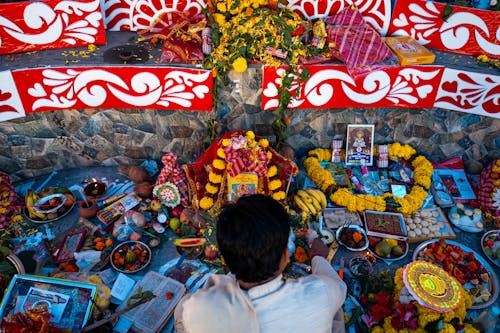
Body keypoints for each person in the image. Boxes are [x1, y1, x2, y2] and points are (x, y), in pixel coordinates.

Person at [174, 194, 347, 333]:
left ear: (226, 261)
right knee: (336, 314)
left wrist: (223, 283)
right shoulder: (320, 293)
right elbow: (338, 286)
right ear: (287, 255)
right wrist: (318, 257)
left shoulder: (197, 308)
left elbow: (181, 322)